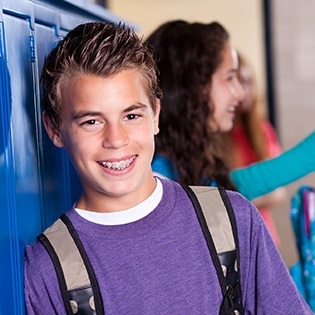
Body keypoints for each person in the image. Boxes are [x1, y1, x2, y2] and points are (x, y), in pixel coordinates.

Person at [24, 21, 313, 314]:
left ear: (156, 115)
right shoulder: (47, 270)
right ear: (54, 129)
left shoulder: (234, 219)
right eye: (92, 121)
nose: (115, 140)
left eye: (132, 116)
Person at [148, 20, 245, 189]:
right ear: (193, 88)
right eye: (229, 78)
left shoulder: (192, 162)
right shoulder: (159, 182)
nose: (240, 93)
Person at [223, 53, 286, 245]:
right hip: (232, 238)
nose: (243, 90)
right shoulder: (217, 134)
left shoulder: (262, 129)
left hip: (265, 234)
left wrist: (237, 196)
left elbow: (280, 191)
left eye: (249, 81)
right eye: (236, 81)